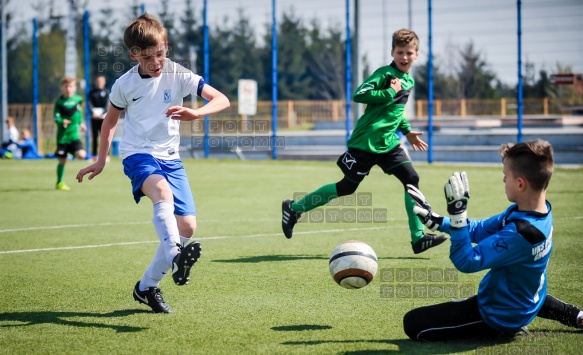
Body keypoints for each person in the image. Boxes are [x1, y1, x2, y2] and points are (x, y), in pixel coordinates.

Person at [76, 13, 230, 314]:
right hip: (137, 154)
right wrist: (100, 160)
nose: (156, 61)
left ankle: (146, 287)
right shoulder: (125, 84)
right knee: (163, 194)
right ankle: (176, 257)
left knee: (188, 225)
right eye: (148, 57)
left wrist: (196, 114)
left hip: (171, 158)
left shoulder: (178, 74)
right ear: (134, 55)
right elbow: (109, 124)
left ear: (166, 48)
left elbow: (221, 99)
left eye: (160, 53)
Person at [281, 28, 447, 254]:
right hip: (365, 143)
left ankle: (418, 238)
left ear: (417, 54)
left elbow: (395, 113)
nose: (404, 57)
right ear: (392, 52)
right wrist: (388, 92)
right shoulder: (385, 75)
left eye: (409, 53)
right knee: (347, 187)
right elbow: (359, 94)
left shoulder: (407, 80)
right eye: (400, 52)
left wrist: (407, 131)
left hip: (389, 144)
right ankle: (295, 208)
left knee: (411, 179)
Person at [403, 139, 583, 341]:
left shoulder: (520, 233)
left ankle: (506, 329)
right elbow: (479, 229)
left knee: (413, 323)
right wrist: (438, 221)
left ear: (520, 183)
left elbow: (467, 261)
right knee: (526, 287)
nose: (503, 181)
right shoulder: (535, 211)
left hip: (499, 314)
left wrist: (458, 215)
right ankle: (577, 316)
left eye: (506, 176)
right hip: (527, 295)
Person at [54, 77, 87, 190]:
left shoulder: (78, 99)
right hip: (63, 137)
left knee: (81, 155)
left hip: (74, 135)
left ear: (75, 88)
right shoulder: (59, 102)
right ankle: (59, 182)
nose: (68, 88)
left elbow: (79, 112)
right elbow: (56, 117)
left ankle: (72, 153)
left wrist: (81, 123)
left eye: (70, 86)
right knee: (62, 160)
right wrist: (62, 121)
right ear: (62, 88)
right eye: (66, 86)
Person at [88, 75, 110, 161]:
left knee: (104, 136)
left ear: (104, 82)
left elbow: (107, 104)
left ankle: (106, 156)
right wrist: (93, 113)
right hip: (94, 117)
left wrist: (103, 113)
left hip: (103, 117)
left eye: (101, 81)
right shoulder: (91, 92)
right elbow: (89, 103)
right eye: (97, 81)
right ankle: (93, 155)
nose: (99, 83)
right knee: (94, 136)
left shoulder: (107, 92)